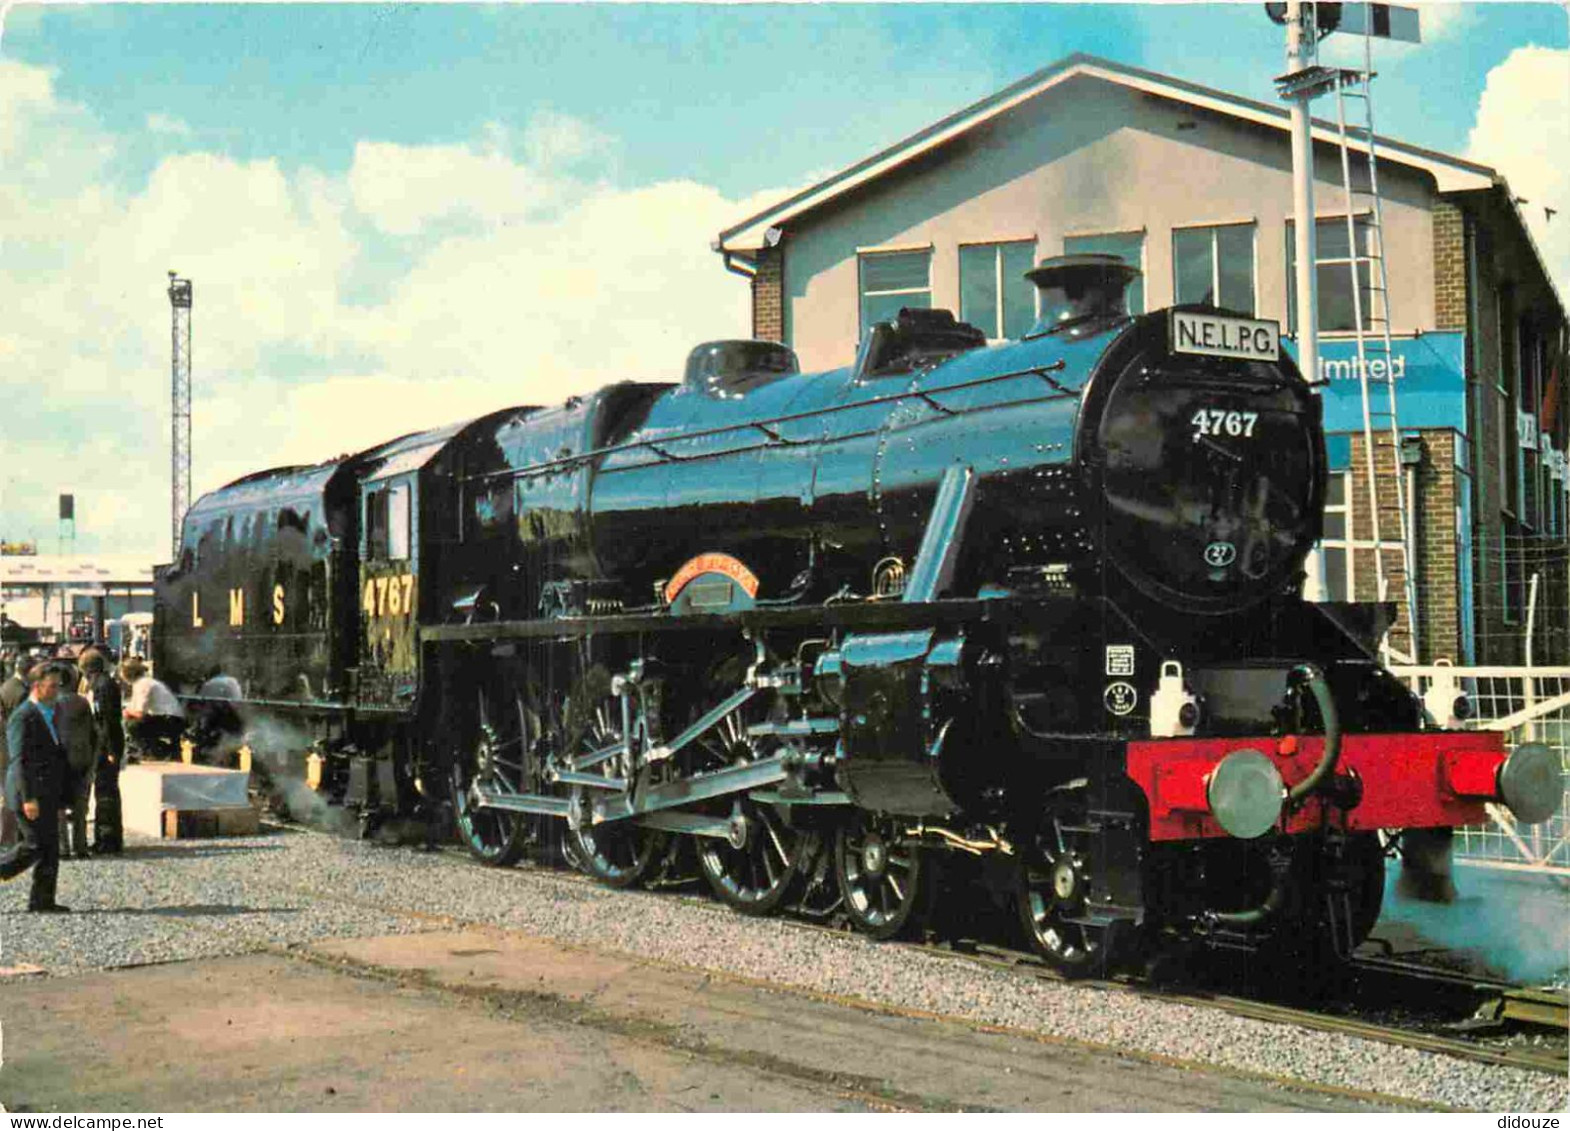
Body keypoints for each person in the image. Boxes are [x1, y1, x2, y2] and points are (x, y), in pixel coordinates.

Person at [0, 663, 71, 911]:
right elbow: (19, 760)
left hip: (48, 791)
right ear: (37, 687)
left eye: (58, 686)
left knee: (50, 848)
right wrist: (29, 797)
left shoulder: (49, 713)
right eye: (52, 686)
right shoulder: (24, 716)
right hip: (29, 793)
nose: (57, 691)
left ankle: (43, 900)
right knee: (34, 844)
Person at [80, 648, 124, 854]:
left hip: (106, 746)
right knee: (105, 792)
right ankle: (107, 837)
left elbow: (108, 720)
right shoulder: (103, 683)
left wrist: (110, 749)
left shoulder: (102, 686)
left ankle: (108, 839)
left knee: (106, 793)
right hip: (105, 744)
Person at [55, 667, 97, 859]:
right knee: (80, 805)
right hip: (81, 758)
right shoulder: (82, 703)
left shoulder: (51, 704)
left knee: (59, 807)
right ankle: (80, 846)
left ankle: (63, 848)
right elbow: (92, 731)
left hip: (59, 759)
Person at [120, 658, 184, 761]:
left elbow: (140, 713)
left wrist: (126, 712)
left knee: (132, 725)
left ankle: (154, 751)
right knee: (134, 722)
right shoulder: (144, 682)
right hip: (172, 717)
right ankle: (160, 749)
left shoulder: (142, 684)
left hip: (170, 719)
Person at [0, 653, 28, 849]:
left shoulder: (6, 688)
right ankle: (9, 836)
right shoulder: (21, 691)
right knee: (10, 792)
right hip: (10, 746)